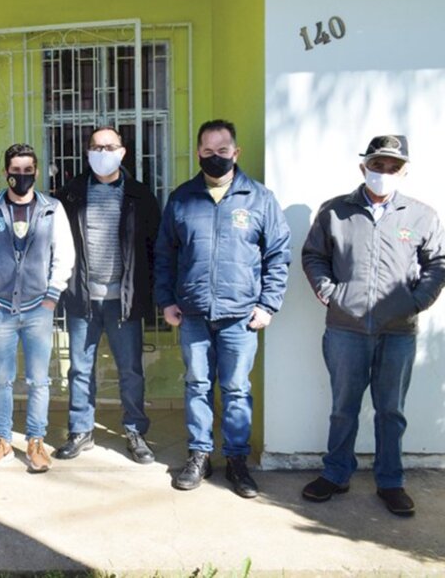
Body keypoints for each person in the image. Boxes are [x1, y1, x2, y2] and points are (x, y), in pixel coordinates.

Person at [301, 135, 445, 517]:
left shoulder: (422, 215)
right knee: (343, 407)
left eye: (392, 167)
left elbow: (438, 264)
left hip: (398, 331)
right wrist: (331, 293)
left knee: (391, 410)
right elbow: (314, 255)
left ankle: (391, 481)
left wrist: (415, 302)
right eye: (377, 165)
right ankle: (336, 473)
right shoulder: (335, 211)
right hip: (345, 328)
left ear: (404, 171)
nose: (384, 173)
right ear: (363, 166)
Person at [154, 120, 291, 497]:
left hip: (240, 316)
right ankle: (199, 455)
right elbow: (165, 254)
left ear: (236, 152)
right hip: (193, 313)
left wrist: (269, 305)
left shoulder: (259, 198)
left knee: (235, 389)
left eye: (223, 150)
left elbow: (278, 256)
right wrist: (166, 300)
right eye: (208, 151)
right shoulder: (182, 198)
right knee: (197, 385)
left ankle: (236, 460)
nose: (216, 157)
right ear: (199, 152)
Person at [56, 127, 161, 464]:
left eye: (109, 146)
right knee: (80, 369)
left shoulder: (140, 195)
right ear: (87, 152)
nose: (102, 152)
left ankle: (134, 431)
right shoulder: (70, 195)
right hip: (82, 298)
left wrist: (156, 296)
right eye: (96, 147)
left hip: (123, 300)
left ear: (122, 151)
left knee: (130, 369)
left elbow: (154, 247)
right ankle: (81, 430)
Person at [0, 143, 74, 473]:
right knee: (1, 379)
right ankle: (2, 441)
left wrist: (52, 295)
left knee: (38, 380)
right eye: (15, 171)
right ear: (6, 173)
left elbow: (65, 255)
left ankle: (35, 442)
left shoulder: (51, 209)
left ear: (36, 172)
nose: (21, 177)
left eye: (28, 171)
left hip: (38, 308)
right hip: (0, 307)